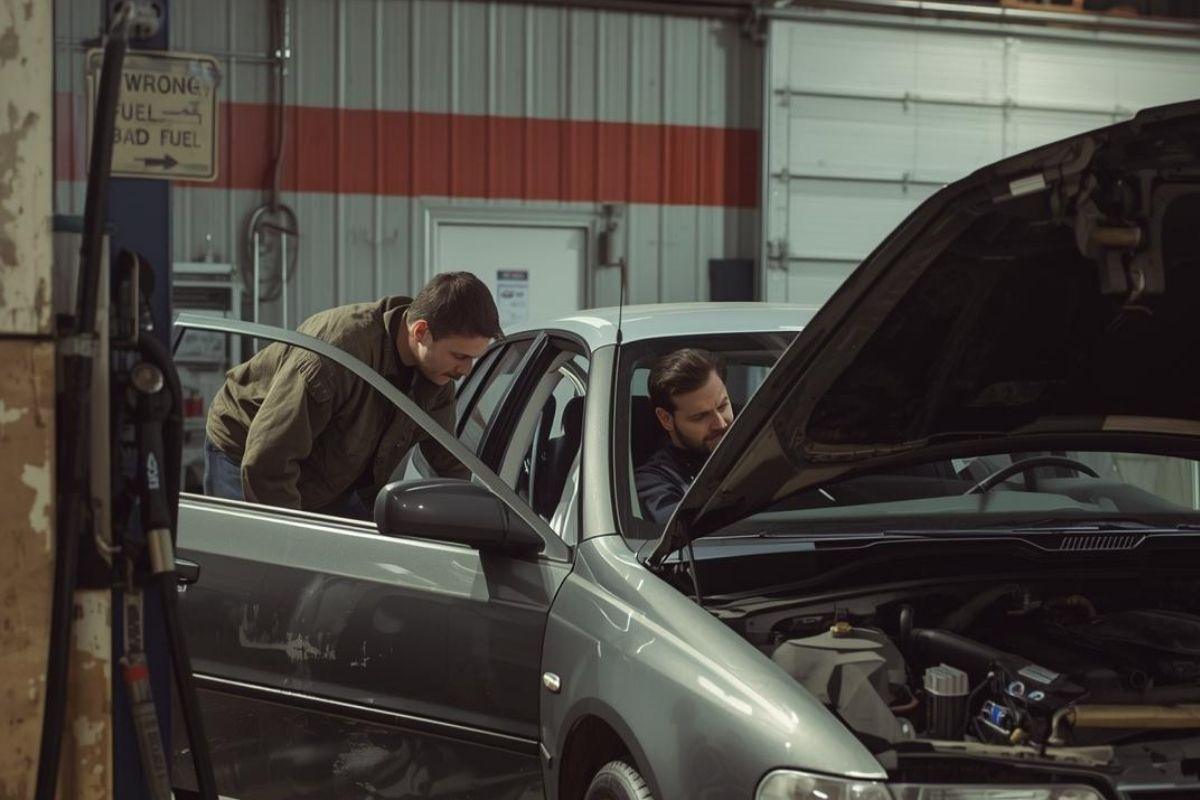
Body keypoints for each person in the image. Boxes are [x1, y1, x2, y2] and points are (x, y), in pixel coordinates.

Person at [203, 271, 501, 518]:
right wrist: (290, 544)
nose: (466, 370)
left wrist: (488, 514)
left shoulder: (437, 372)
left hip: (329, 475)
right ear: (420, 332)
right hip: (246, 453)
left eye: (474, 358)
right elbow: (268, 460)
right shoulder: (334, 357)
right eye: (460, 356)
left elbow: (450, 462)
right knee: (261, 572)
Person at [635, 348, 733, 524]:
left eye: (722, 406)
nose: (721, 424)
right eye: (700, 416)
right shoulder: (653, 481)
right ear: (665, 419)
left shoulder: (760, 449)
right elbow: (687, 532)